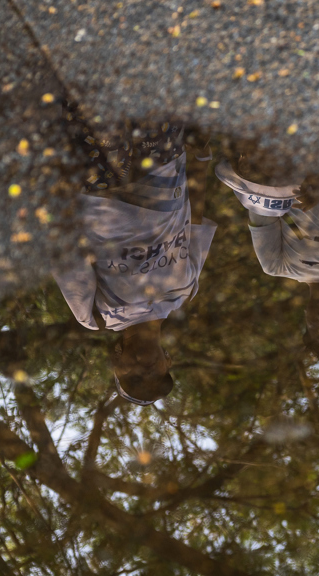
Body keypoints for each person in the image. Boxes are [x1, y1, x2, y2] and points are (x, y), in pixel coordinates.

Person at [52, 114, 217, 405]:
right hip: (165, 171)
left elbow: (64, 249)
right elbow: (196, 221)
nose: (146, 371)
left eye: (135, 378)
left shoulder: (96, 317)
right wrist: (201, 159)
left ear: (116, 365)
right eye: (157, 377)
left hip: (101, 185)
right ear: (169, 362)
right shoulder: (186, 292)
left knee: (91, 100)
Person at [215, 158, 319, 362]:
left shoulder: (276, 265)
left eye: (316, 330)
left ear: (305, 318)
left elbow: (258, 198)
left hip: (288, 162)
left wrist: (304, 183)